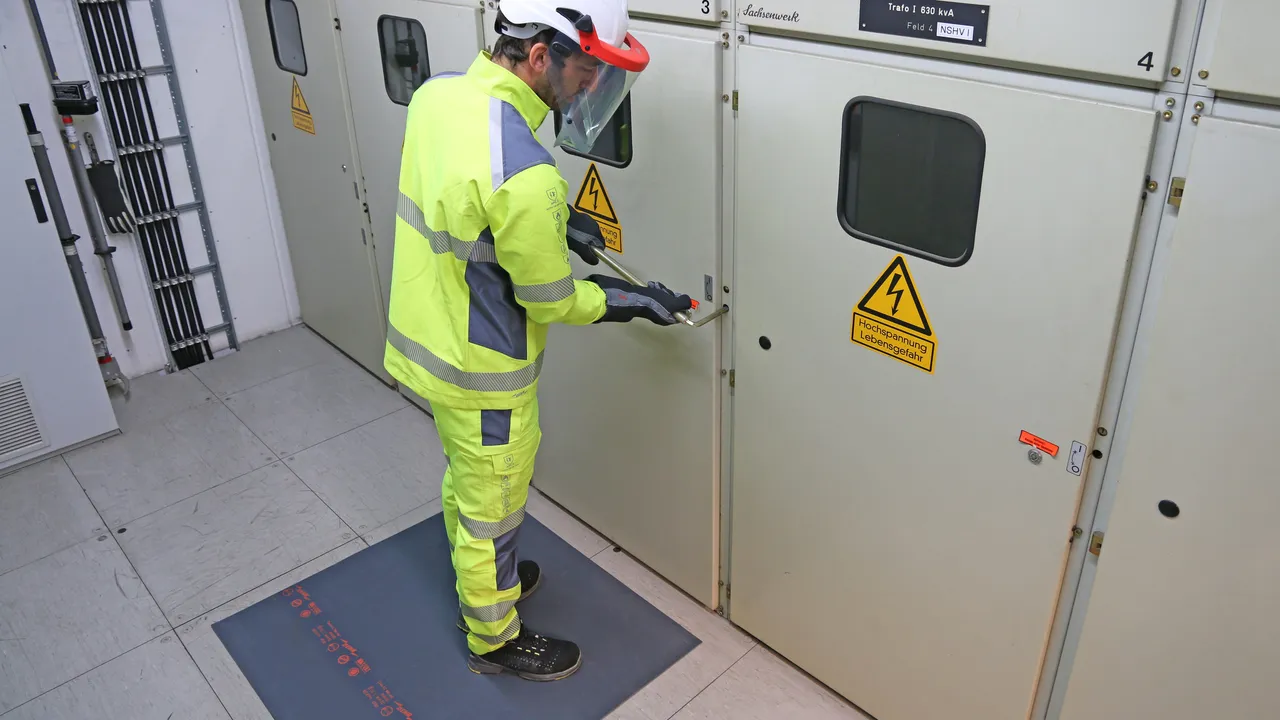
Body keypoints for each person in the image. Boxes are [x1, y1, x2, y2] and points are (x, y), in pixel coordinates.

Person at [382, 0, 692, 682]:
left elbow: (465, 203)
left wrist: (555, 222)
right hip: (482, 368)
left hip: (429, 340)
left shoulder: (437, 97)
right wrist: (628, 300)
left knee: (468, 480)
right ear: (540, 55)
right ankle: (494, 637)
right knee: (494, 503)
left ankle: (482, 578)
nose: (590, 87)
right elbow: (551, 299)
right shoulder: (526, 172)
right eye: (586, 70)